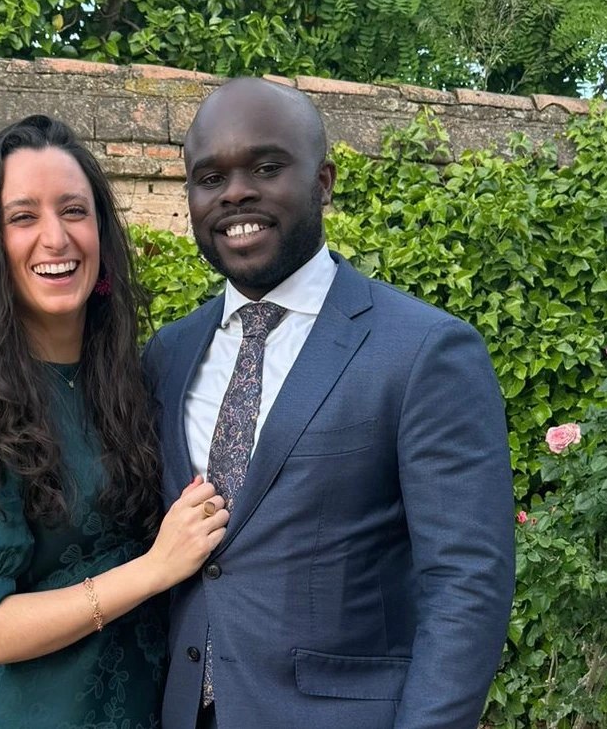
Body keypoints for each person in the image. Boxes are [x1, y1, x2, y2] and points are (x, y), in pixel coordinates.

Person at [141, 78, 516, 729]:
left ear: (323, 181)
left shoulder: (422, 351)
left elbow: (466, 583)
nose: (234, 193)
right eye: (209, 177)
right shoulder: (168, 355)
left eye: (265, 166)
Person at [0, 114, 229, 729]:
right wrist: (154, 569)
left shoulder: (134, 378)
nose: (56, 238)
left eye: (74, 211)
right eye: (23, 217)